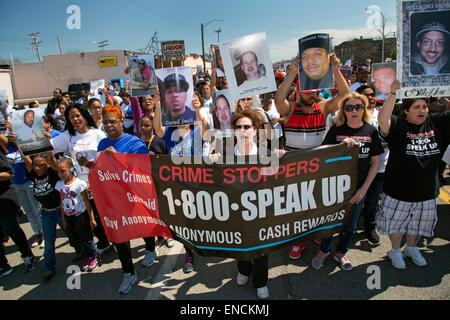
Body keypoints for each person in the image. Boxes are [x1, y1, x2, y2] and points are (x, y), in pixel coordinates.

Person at [275, 52, 350, 260]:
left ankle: (316, 235)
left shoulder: (323, 106)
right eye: (306, 91)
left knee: (317, 206)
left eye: (313, 91)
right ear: (298, 93)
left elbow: (345, 96)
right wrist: (291, 74)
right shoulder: (289, 109)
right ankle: (298, 242)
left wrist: (335, 70)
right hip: (293, 170)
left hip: (318, 168)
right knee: (296, 209)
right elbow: (278, 99)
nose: (311, 94)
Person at [210, 110, 285, 299]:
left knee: (261, 250)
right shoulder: (225, 157)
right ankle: (243, 271)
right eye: (238, 127)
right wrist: (211, 163)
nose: (242, 130)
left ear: (255, 130)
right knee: (240, 247)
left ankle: (260, 282)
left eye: (247, 126)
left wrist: (282, 157)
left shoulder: (266, 154)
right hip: (236, 213)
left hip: (261, 212)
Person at [377, 79, 450, 269]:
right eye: (417, 107)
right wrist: (393, 94)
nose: (422, 110)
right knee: (396, 225)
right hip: (399, 189)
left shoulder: (436, 123)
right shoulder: (398, 125)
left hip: (426, 191)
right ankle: (394, 250)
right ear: (406, 110)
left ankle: (411, 247)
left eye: (425, 106)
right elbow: (382, 121)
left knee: (417, 225)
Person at [311, 92, 382, 270]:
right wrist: (341, 147)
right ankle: (324, 250)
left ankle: (341, 253)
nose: (354, 111)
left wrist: (363, 190)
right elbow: (324, 154)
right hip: (335, 189)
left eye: (358, 107)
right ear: (344, 111)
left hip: (359, 189)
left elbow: (375, 163)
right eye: (349, 107)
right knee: (330, 223)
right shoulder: (336, 129)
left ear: (364, 109)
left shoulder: (371, 131)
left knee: (350, 226)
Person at [96, 104, 157, 294]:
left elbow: (142, 170)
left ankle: (150, 248)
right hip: (114, 197)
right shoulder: (102, 144)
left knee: (143, 224)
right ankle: (128, 272)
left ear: (121, 122)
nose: (109, 125)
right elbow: (102, 170)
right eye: (106, 122)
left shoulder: (134, 143)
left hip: (135, 195)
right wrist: (90, 164)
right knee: (119, 236)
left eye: (113, 121)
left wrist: (118, 158)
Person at [49, 103, 111, 256]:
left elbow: (106, 159)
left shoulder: (98, 134)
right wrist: (43, 138)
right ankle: (103, 242)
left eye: (77, 115)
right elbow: (47, 147)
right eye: (71, 117)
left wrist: (93, 179)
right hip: (80, 186)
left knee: (106, 214)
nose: (75, 119)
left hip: (100, 180)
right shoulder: (68, 136)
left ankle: (116, 240)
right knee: (91, 217)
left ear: (84, 115)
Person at [19, 150, 68, 281]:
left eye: (40, 164)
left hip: (59, 210)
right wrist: (18, 142)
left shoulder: (52, 174)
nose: (37, 167)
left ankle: (84, 251)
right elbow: (26, 159)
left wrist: (47, 143)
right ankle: (49, 267)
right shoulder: (33, 175)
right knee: (49, 242)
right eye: (35, 165)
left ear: (47, 165)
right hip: (46, 213)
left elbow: (52, 159)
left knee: (70, 234)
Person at [0, 133, 36, 278]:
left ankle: (27, 255)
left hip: (4, 198)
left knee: (12, 229)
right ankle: (3, 264)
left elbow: (9, 173)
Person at [55, 157, 99, 272]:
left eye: (63, 171)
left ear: (71, 169)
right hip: (69, 217)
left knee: (88, 238)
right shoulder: (59, 185)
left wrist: (92, 218)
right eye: (58, 171)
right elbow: (61, 203)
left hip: (81, 216)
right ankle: (86, 257)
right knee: (78, 239)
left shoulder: (79, 184)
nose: (60, 174)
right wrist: (64, 220)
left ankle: (94, 257)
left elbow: (86, 202)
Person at [6, 122, 43, 248]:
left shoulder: (27, 142)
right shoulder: (6, 146)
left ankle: (45, 235)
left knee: (38, 209)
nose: (10, 133)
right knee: (29, 211)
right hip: (17, 184)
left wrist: (18, 143)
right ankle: (38, 234)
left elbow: (30, 163)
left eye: (12, 130)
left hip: (29, 182)